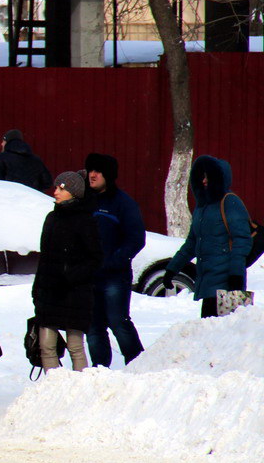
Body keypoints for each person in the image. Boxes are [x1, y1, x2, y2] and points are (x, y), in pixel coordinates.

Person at [162, 155, 251, 318]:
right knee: (209, 332)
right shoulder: (201, 208)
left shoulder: (230, 202)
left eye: (208, 176)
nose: (203, 181)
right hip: (207, 283)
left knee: (226, 337)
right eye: (201, 176)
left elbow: (242, 240)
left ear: (218, 178)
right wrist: (172, 269)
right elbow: (191, 243)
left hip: (227, 283)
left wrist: (236, 276)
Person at [32, 171, 102, 371]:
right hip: (50, 291)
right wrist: (38, 288)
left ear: (74, 192)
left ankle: (79, 390)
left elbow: (95, 258)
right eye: (56, 188)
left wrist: (72, 274)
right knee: (46, 346)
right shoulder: (52, 218)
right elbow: (45, 257)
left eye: (61, 188)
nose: (55, 192)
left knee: (75, 346)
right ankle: (54, 389)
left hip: (75, 293)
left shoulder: (86, 220)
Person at [84, 153, 145, 367]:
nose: (92, 175)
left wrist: (115, 260)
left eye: (97, 171)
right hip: (88, 276)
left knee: (118, 321)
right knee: (93, 327)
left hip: (114, 277)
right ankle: (100, 371)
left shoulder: (123, 203)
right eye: (90, 170)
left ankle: (138, 363)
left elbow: (136, 239)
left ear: (108, 175)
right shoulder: (84, 201)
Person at [0, 129, 52, 193]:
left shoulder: (1, 158)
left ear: (7, 141)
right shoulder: (36, 160)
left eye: (3, 141)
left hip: (7, 199)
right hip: (30, 199)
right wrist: (33, 191)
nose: (1, 144)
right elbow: (47, 182)